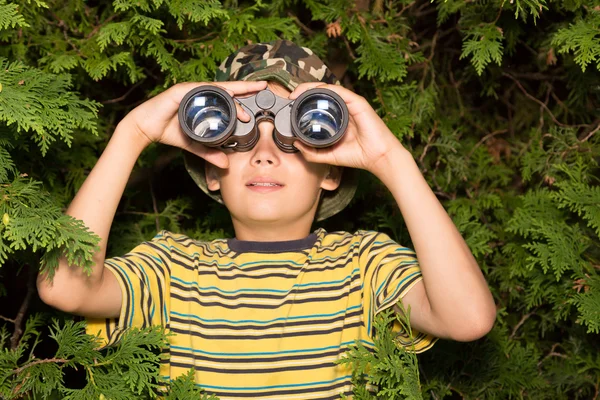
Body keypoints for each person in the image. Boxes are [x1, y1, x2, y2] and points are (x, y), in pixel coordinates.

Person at [37, 40, 496, 399]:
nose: (264, 155)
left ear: (331, 172)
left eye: (296, 137)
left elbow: (468, 318)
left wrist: (390, 160)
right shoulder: (171, 268)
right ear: (212, 171)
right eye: (237, 139)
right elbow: (65, 287)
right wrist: (132, 133)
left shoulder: (365, 265)